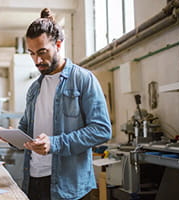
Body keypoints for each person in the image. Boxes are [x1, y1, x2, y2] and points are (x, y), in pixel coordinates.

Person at [18, 8, 111, 200]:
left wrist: (55, 143)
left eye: (42, 52)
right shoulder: (34, 89)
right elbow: (26, 129)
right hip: (33, 180)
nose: (37, 60)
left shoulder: (83, 79)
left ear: (58, 45)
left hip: (68, 186)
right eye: (32, 53)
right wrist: (13, 137)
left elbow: (101, 130)